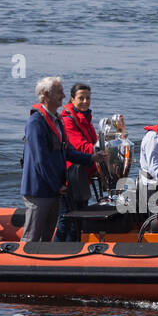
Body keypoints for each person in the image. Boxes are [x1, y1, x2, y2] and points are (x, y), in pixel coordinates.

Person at [20, 77, 101, 242]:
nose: (64, 96)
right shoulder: (36, 122)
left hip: (54, 190)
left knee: (47, 237)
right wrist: (57, 185)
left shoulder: (56, 120)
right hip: (39, 191)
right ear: (46, 95)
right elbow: (40, 160)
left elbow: (68, 151)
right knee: (32, 238)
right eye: (59, 92)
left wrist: (92, 157)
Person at [55, 82, 100, 242]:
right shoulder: (68, 121)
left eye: (88, 98)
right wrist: (102, 150)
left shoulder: (86, 119)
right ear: (72, 99)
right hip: (70, 177)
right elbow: (81, 147)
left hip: (82, 177)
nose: (85, 101)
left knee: (78, 220)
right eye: (81, 98)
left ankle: (70, 251)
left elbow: (93, 142)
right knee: (66, 221)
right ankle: (55, 253)